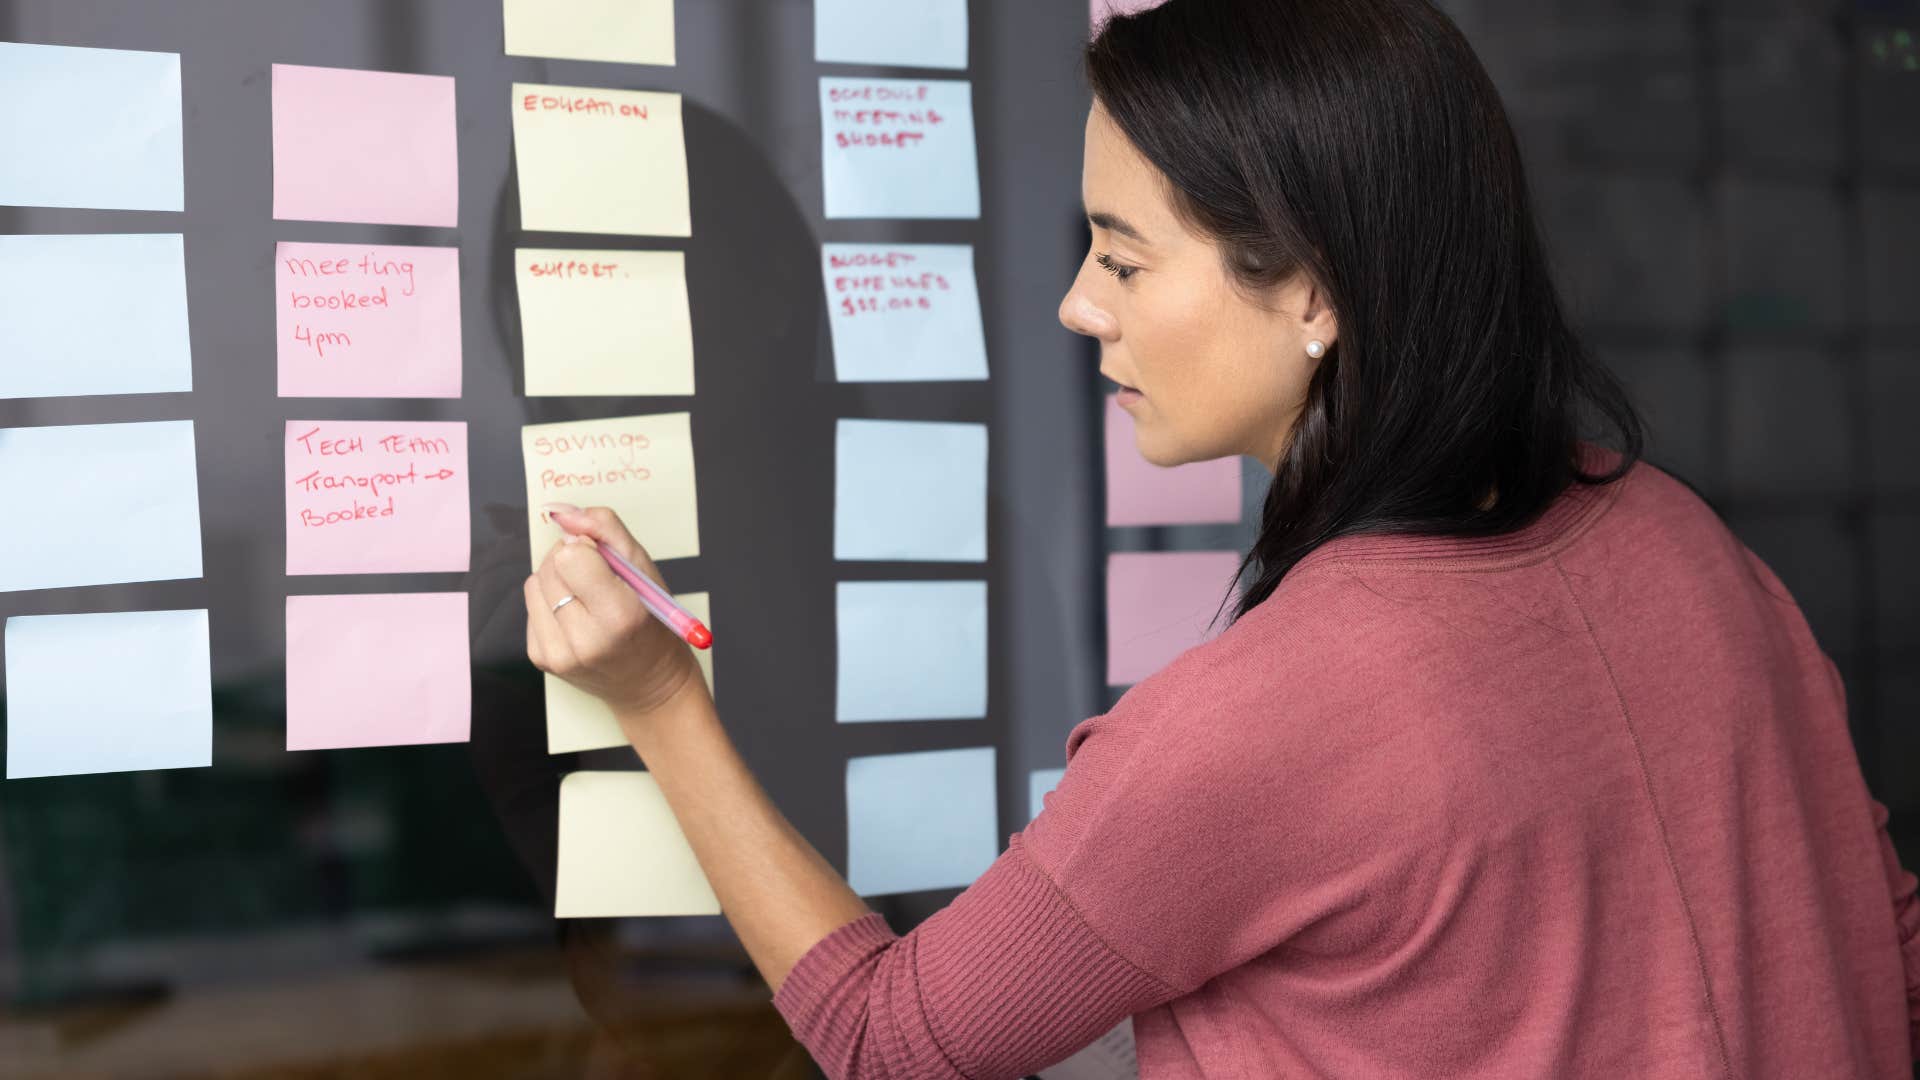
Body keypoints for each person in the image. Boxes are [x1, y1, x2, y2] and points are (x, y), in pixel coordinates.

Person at [522, 0, 1920, 1075]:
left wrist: (660, 700)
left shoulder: (1267, 718)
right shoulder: (1679, 540)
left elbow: (895, 1042)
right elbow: (1878, 937)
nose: (1079, 306)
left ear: (1310, 284)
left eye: (1124, 258)